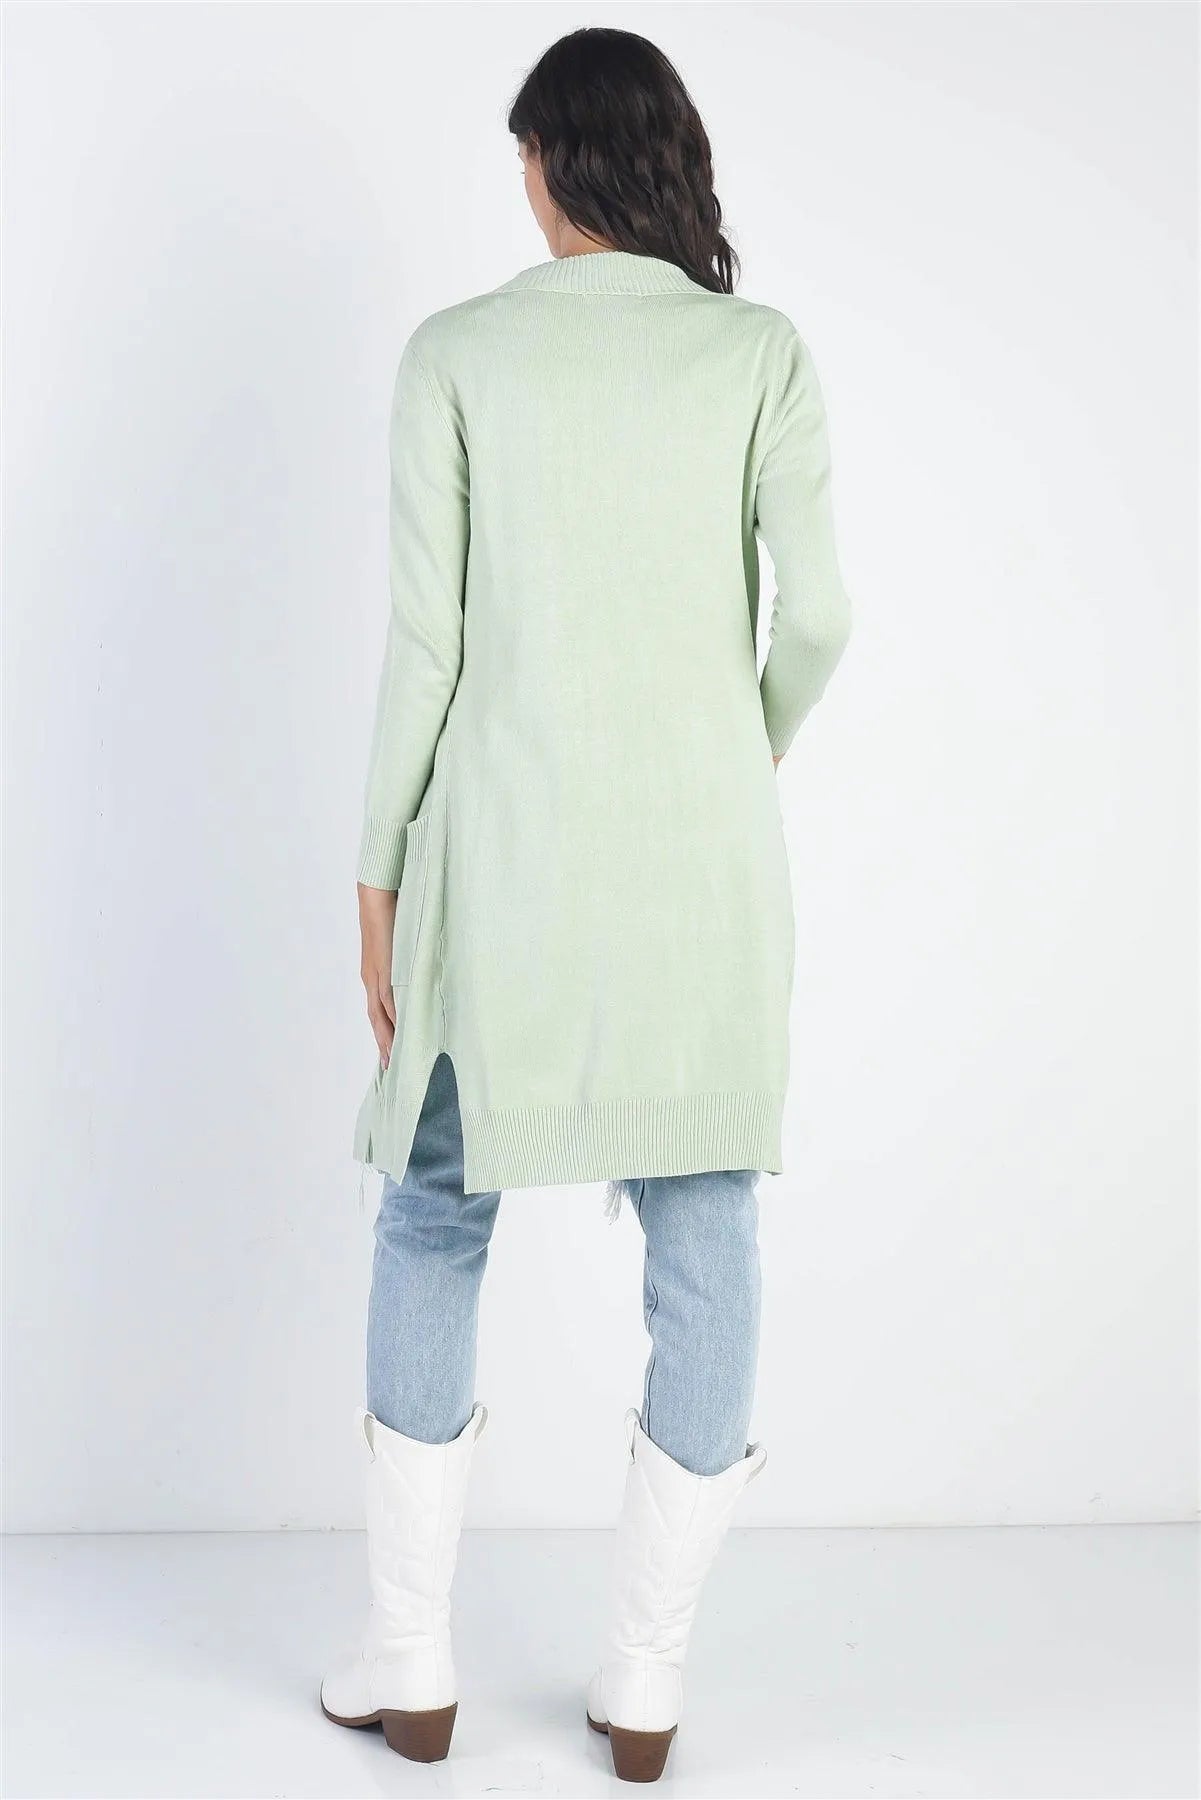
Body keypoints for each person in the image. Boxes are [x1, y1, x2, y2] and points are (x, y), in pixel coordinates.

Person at [320, 25, 851, 1783]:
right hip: (701, 878)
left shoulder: (458, 354)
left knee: (430, 1216)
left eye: (524, 160)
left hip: (499, 870)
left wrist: (379, 875)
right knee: (706, 1239)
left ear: (553, 161)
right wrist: (735, 748)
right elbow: (819, 618)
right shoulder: (758, 356)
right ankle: (642, 1685)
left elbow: (428, 649)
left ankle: (410, 1660)